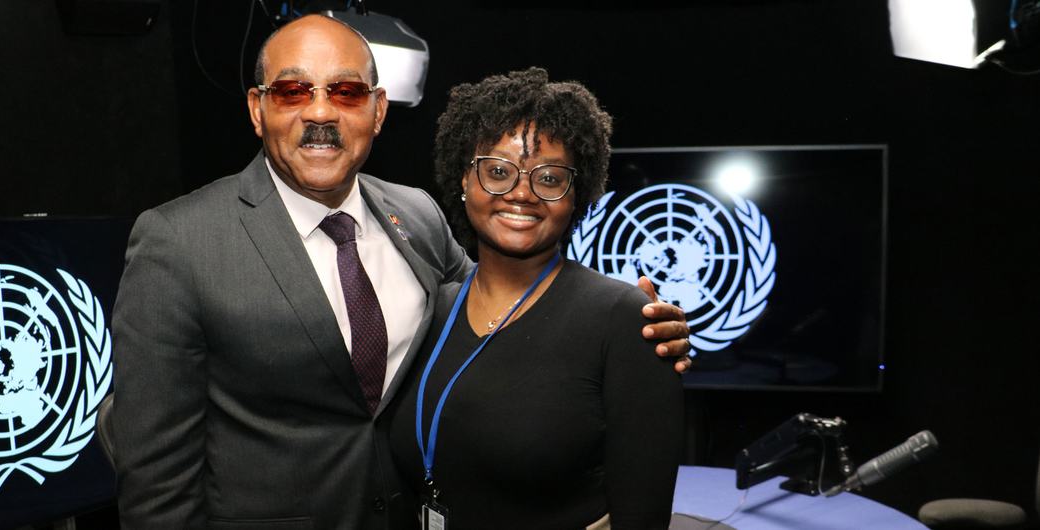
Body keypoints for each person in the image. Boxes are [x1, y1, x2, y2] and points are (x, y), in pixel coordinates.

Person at [110, 15, 690, 530]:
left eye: (345, 91)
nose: (319, 112)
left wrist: (632, 329)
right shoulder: (177, 242)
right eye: (292, 91)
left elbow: (502, 309)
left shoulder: (413, 214)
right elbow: (156, 476)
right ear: (257, 110)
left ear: (378, 111)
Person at [388, 68, 683, 529]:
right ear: (464, 180)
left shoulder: (622, 321)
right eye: (499, 172)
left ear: (576, 194)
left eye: (549, 178)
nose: (522, 193)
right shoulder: (430, 307)